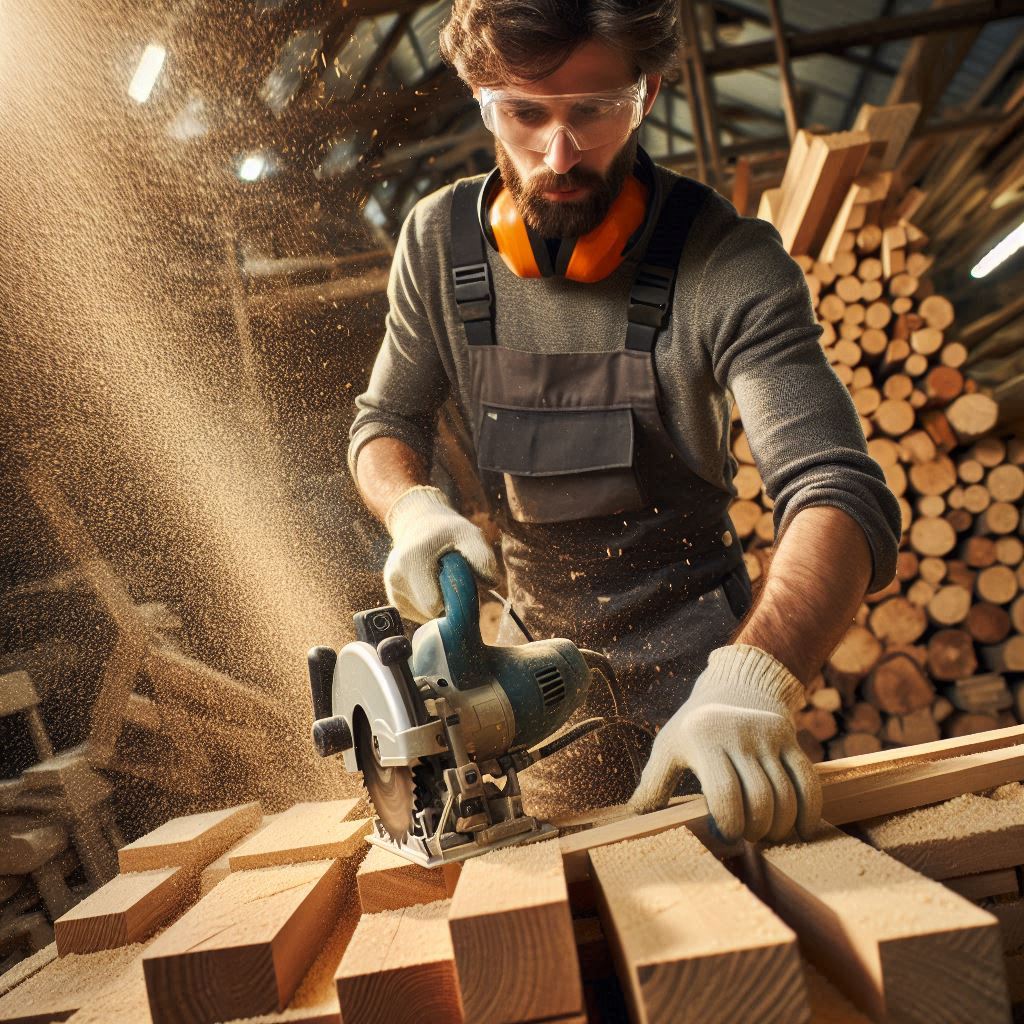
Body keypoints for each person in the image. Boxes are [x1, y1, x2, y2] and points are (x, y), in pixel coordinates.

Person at [347, 0, 901, 843]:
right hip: (533, 677)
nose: (559, 153)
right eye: (525, 113)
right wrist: (411, 509)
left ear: (646, 93)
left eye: (594, 111)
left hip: (704, 673)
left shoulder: (729, 261)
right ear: (477, 92)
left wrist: (753, 677)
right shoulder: (436, 244)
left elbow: (838, 490)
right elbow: (385, 420)